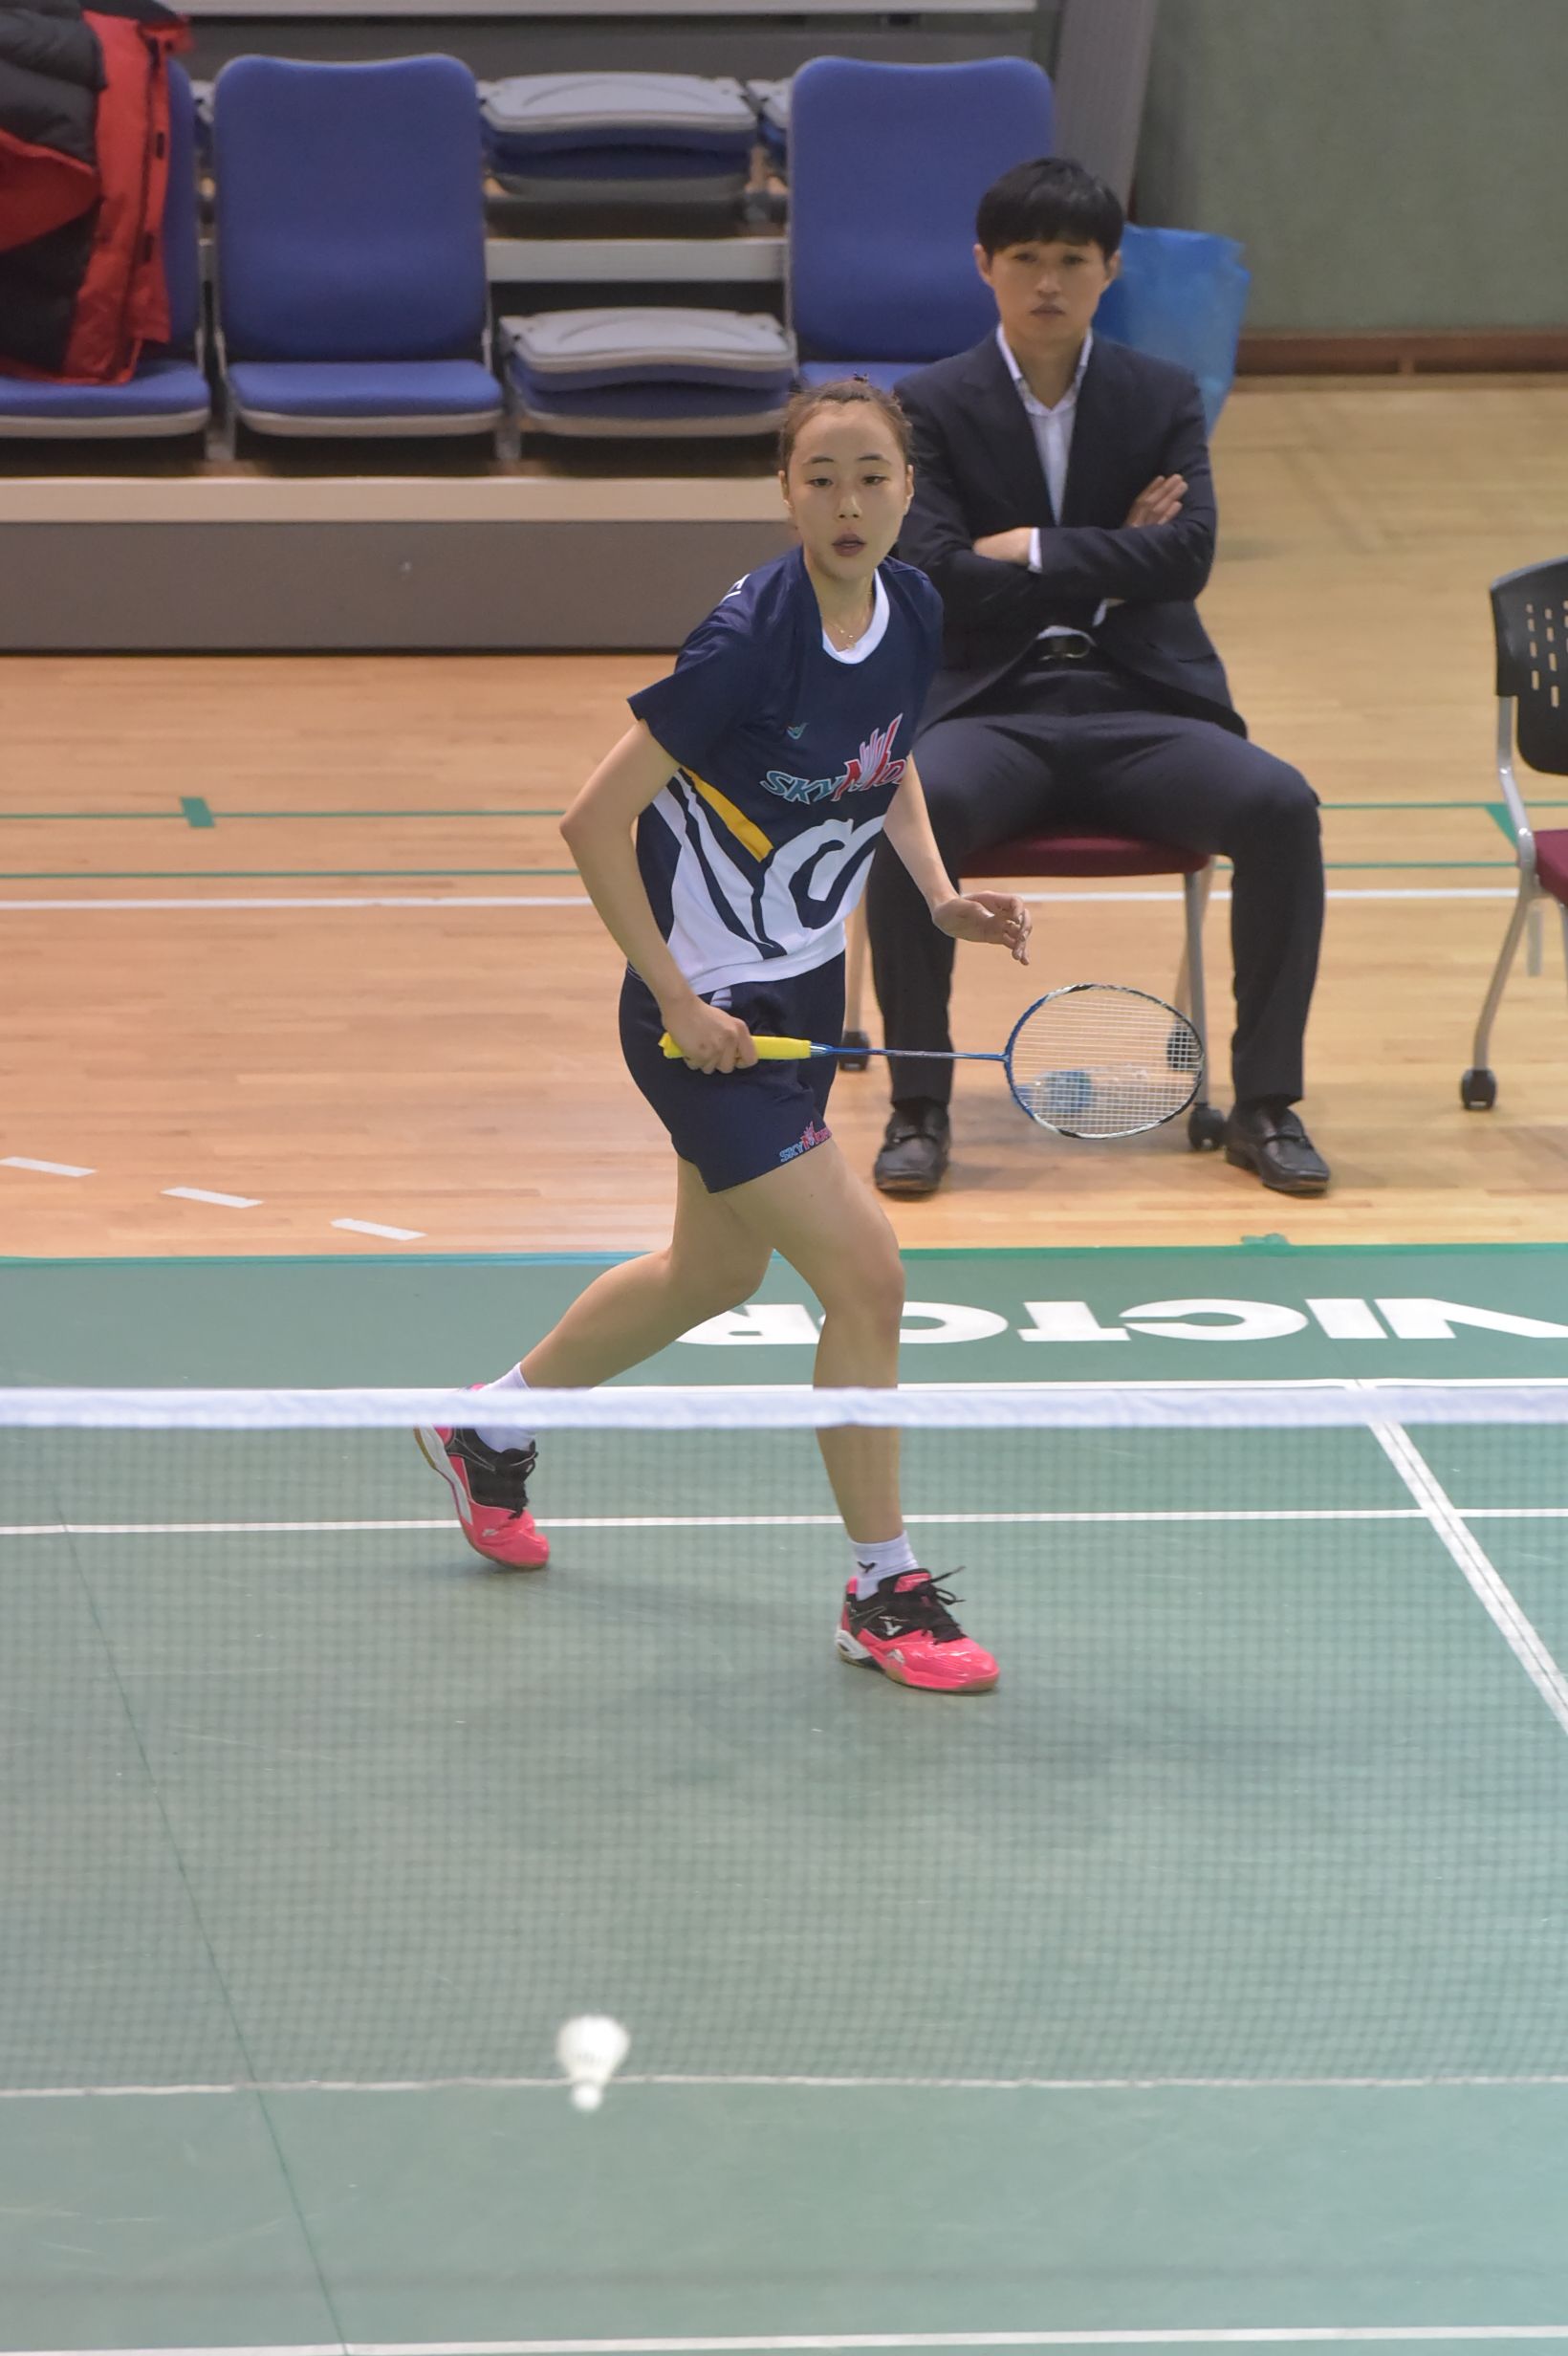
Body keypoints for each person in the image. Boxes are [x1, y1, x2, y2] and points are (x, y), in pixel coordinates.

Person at [418, 378, 1031, 1695]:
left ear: (907, 490)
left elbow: (888, 763)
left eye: (872, 477)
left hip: (800, 997)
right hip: (702, 1016)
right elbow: (591, 822)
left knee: (710, 1275)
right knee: (867, 1278)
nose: (848, 503)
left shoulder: (914, 607)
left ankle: (487, 1429)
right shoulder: (747, 641)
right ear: (786, 493)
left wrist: (937, 894)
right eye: (822, 478)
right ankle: (882, 1590)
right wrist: (679, 1002)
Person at [866, 156, 1330, 1202]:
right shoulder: (925, 407)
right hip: (991, 708)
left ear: (1110, 270)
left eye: (1072, 260)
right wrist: (1113, 549)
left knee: (1280, 804)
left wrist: (1026, 546)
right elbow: (932, 572)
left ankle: (1263, 1106)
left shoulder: (1160, 395)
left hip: (1140, 704)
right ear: (983, 264)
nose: (1047, 282)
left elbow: (1187, 557)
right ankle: (919, 1106)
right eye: (1025, 257)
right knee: (907, 811)